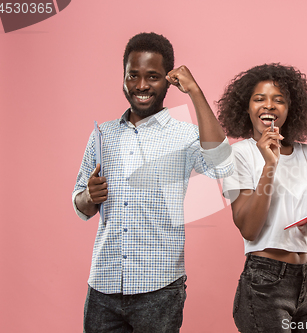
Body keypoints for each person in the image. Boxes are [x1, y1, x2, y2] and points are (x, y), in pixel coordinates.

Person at [72, 32, 233, 333]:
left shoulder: (184, 135)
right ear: (123, 76)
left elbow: (221, 164)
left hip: (159, 290)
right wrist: (88, 197)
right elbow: (80, 205)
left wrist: (195, 92)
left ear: (168, 81)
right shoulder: (103, 134)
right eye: (133, 75)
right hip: (103, 288)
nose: (141, 85)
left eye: (153, 76)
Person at [218, 63, 307, 332]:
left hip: (305, 281)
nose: (268, 106)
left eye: (278, 100)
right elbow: (249, 229)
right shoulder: (239, 154)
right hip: (264, 282)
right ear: (246, 108)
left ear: (290, 110)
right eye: (259, 99)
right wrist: (270, 165)